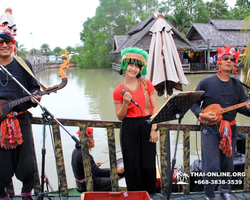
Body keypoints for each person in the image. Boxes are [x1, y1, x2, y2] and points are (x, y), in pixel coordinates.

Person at [190, 45, 250, 200]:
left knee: (227, 165)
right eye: (225, 58)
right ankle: (209, 195)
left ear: (235, 63)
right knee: (212, 166)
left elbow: (243, 109)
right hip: (209, 129)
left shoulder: (238, 86)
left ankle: (224, 191)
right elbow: (193, 103)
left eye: (232, 59)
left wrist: (249, 107)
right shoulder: (206, 83)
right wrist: (202, 115)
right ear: (219, 61)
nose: (229, 61)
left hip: (230, 129)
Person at [0, 27, 41, 200]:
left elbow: (34, 87)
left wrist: (36, 97)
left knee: (26, 160)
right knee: (1, 162)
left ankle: (26, 193)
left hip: (20, 118)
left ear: (13, 44)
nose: (4, 45)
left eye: (8, 42)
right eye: (0, 42)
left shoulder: (23, 64)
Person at [112, 47, 159, 196]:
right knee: (132, 165)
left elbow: (155, 108)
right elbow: (119, 117)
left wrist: (153, 129)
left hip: (147, 125)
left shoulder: (147, 84)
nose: (133, 69)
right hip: (129, 128)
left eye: (137, 66)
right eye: (131, 65)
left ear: (140, 69)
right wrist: (125, 103)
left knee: (148, 164)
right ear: (124, 66)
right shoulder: (118, 91)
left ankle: (149, 194)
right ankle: (134, 196)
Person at [71, 127, 124, 192]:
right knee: (117, 179)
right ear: (89, 141)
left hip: (80, 184)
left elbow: (83, 168)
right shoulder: (85, 155)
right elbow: (97, 172)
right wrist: (115, 171)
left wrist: (93, 165)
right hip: (87, 184)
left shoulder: (76, 151)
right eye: (93, 138)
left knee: (111, 173)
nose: (94, 140)